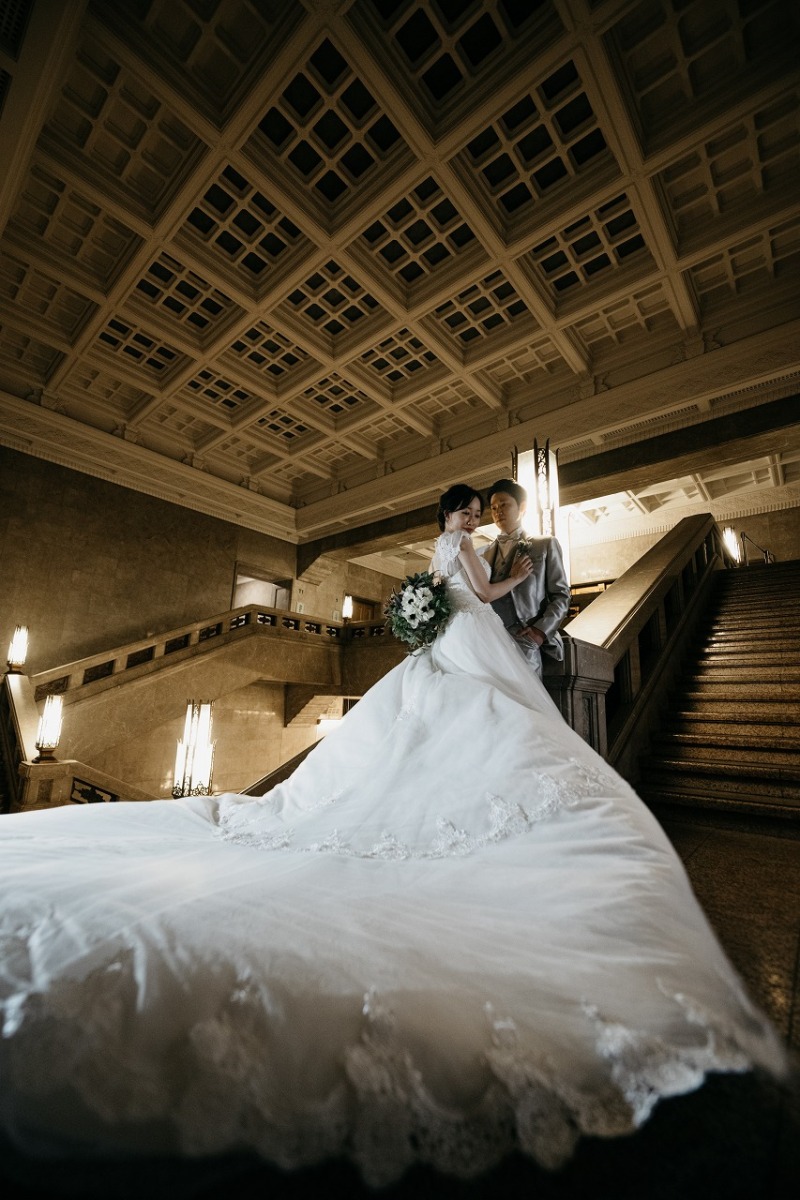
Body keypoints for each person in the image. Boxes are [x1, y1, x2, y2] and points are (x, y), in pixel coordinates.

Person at [0, 484, 788, 1189]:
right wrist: (507, 582)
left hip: (452, 643)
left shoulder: (442, 550)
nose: (479, 517)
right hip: (474, 635)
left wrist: (456, 601)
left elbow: (446, 595)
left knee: (434, 727)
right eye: (472, 511)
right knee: (484, 725)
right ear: (454, 517)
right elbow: (480, 591)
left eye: (484, 510)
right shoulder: (466, 553)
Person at [483, 478, 571, 676]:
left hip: (525, 639)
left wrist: (539, 632)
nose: (498, 512)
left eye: (504, 505)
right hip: (491, 642)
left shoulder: (545, 544)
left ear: (522, 507)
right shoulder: (484, 554)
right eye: (494, 507)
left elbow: (561, 595)